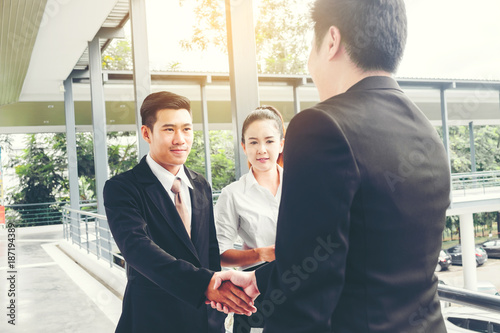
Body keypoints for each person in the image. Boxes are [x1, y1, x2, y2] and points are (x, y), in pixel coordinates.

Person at [211, 1, 451, 332]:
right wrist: (259, 281)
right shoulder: (425, 129)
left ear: (332, 41)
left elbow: (304, 297)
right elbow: (351, 254)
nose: (310, 64)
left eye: (312, 46)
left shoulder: (321, 126)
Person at [103, 91, 255, 333]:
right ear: (146, 133)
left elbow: (209, 251)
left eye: (186, 129)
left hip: (206, 320)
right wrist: (204, 283)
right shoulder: (123, 188)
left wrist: (220, 298)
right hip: (152, 320)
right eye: (169, 129)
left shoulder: (200, 184)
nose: (180, 139)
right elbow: (137, 249)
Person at [214, 106, 285, 332]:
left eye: (269, 141)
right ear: (244, 147)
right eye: (253, 142)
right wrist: (260, 253)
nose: (261, 150)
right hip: (257, 294)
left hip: (303, 286)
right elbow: (221, 254)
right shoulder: (233, 194)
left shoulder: (302, 185)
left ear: (281, 144)